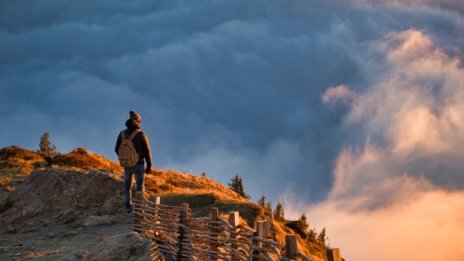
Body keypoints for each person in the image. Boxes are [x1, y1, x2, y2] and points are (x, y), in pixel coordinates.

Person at [115, 111, 152, 214]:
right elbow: (147, 151)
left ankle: (128, 208)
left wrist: (124, 158)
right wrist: (149, 165)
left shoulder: (122, 133)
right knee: (140, 187)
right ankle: (139, 208)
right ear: (138, 121)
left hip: (127, 165)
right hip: (139, 164)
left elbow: (116, 149)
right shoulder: (141, 134)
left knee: (127, 187)